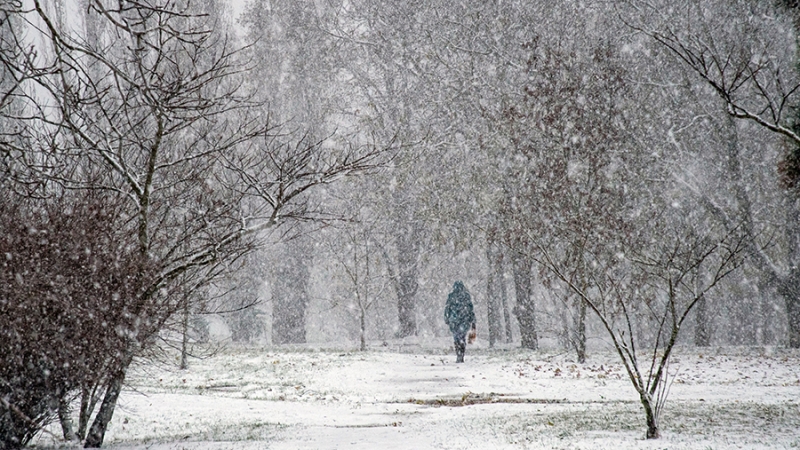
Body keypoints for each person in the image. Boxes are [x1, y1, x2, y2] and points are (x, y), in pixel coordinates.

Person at [444, 281, 476, 363]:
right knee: (462, 337)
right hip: (464, 321)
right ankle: (461, 353)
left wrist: (447, 318)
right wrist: (472, 320)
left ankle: (458, 352)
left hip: (454, 321)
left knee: (456, 337)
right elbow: (470, 309)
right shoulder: (466, 296)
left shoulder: (451, 296)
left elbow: (447, 309)